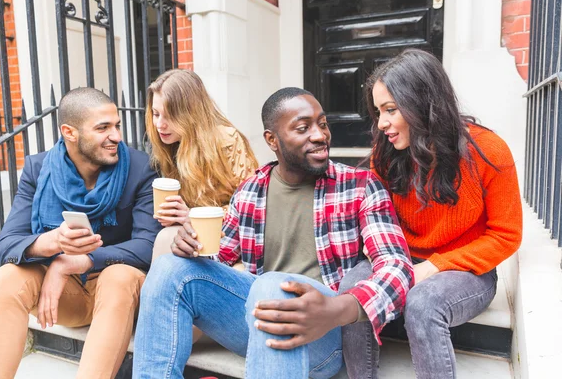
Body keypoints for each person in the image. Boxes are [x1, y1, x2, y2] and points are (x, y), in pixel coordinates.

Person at [132, 87, 414, 379]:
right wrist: (190, 246)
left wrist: (339, 308)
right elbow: (221, 258)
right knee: (169, 266)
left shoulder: (359, 184)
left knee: (274, 286)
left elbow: (397, 266)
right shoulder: (251, 191)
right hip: (262, 320)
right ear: (272, 140)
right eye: (303, 128)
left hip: (323, 334)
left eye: (323, 124)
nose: (320, 135)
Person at [345, 49, 523, 379]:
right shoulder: (385, 154)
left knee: (424, 303)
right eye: (378, 112)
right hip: (401, 258)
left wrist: (433, 267)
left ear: (422, 104)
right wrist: (391, 262)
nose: (381, 123)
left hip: (467, 268)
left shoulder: (489, 152)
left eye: (390, 110)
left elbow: (506, 235)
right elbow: (375, 221)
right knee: (354, 283)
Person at [0, 88, 160, 379]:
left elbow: (148, 245)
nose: (116, 136)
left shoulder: (140, 168)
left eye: (116, 125)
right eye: (102, 128)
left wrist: (84, 260)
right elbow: (6, 245)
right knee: (7, 277)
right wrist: (51, 243)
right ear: (69, 132)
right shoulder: (37, 169)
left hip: (120, 295)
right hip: (63, 297)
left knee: (119, 276)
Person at [145, 69, 258, 261]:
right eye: (156, 114)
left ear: (190, 114)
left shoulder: (226, 140)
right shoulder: (167, 148)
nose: (160, 124)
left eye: (169, 116)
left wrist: (192, 215)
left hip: (232, 241)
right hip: (192, 239)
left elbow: (252, 206)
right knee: (166, 239)